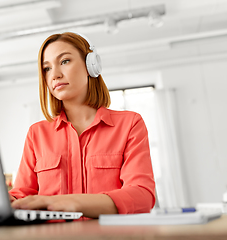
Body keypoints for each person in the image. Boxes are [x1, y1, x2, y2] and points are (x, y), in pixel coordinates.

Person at [8, 32, 155, 218]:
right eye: (46, 69)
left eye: (64, 61)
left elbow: (141, 197)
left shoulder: (130, 124)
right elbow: (21, 195)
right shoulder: (36, 133)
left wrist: (63, 202)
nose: (55, 75)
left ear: (90, 66)